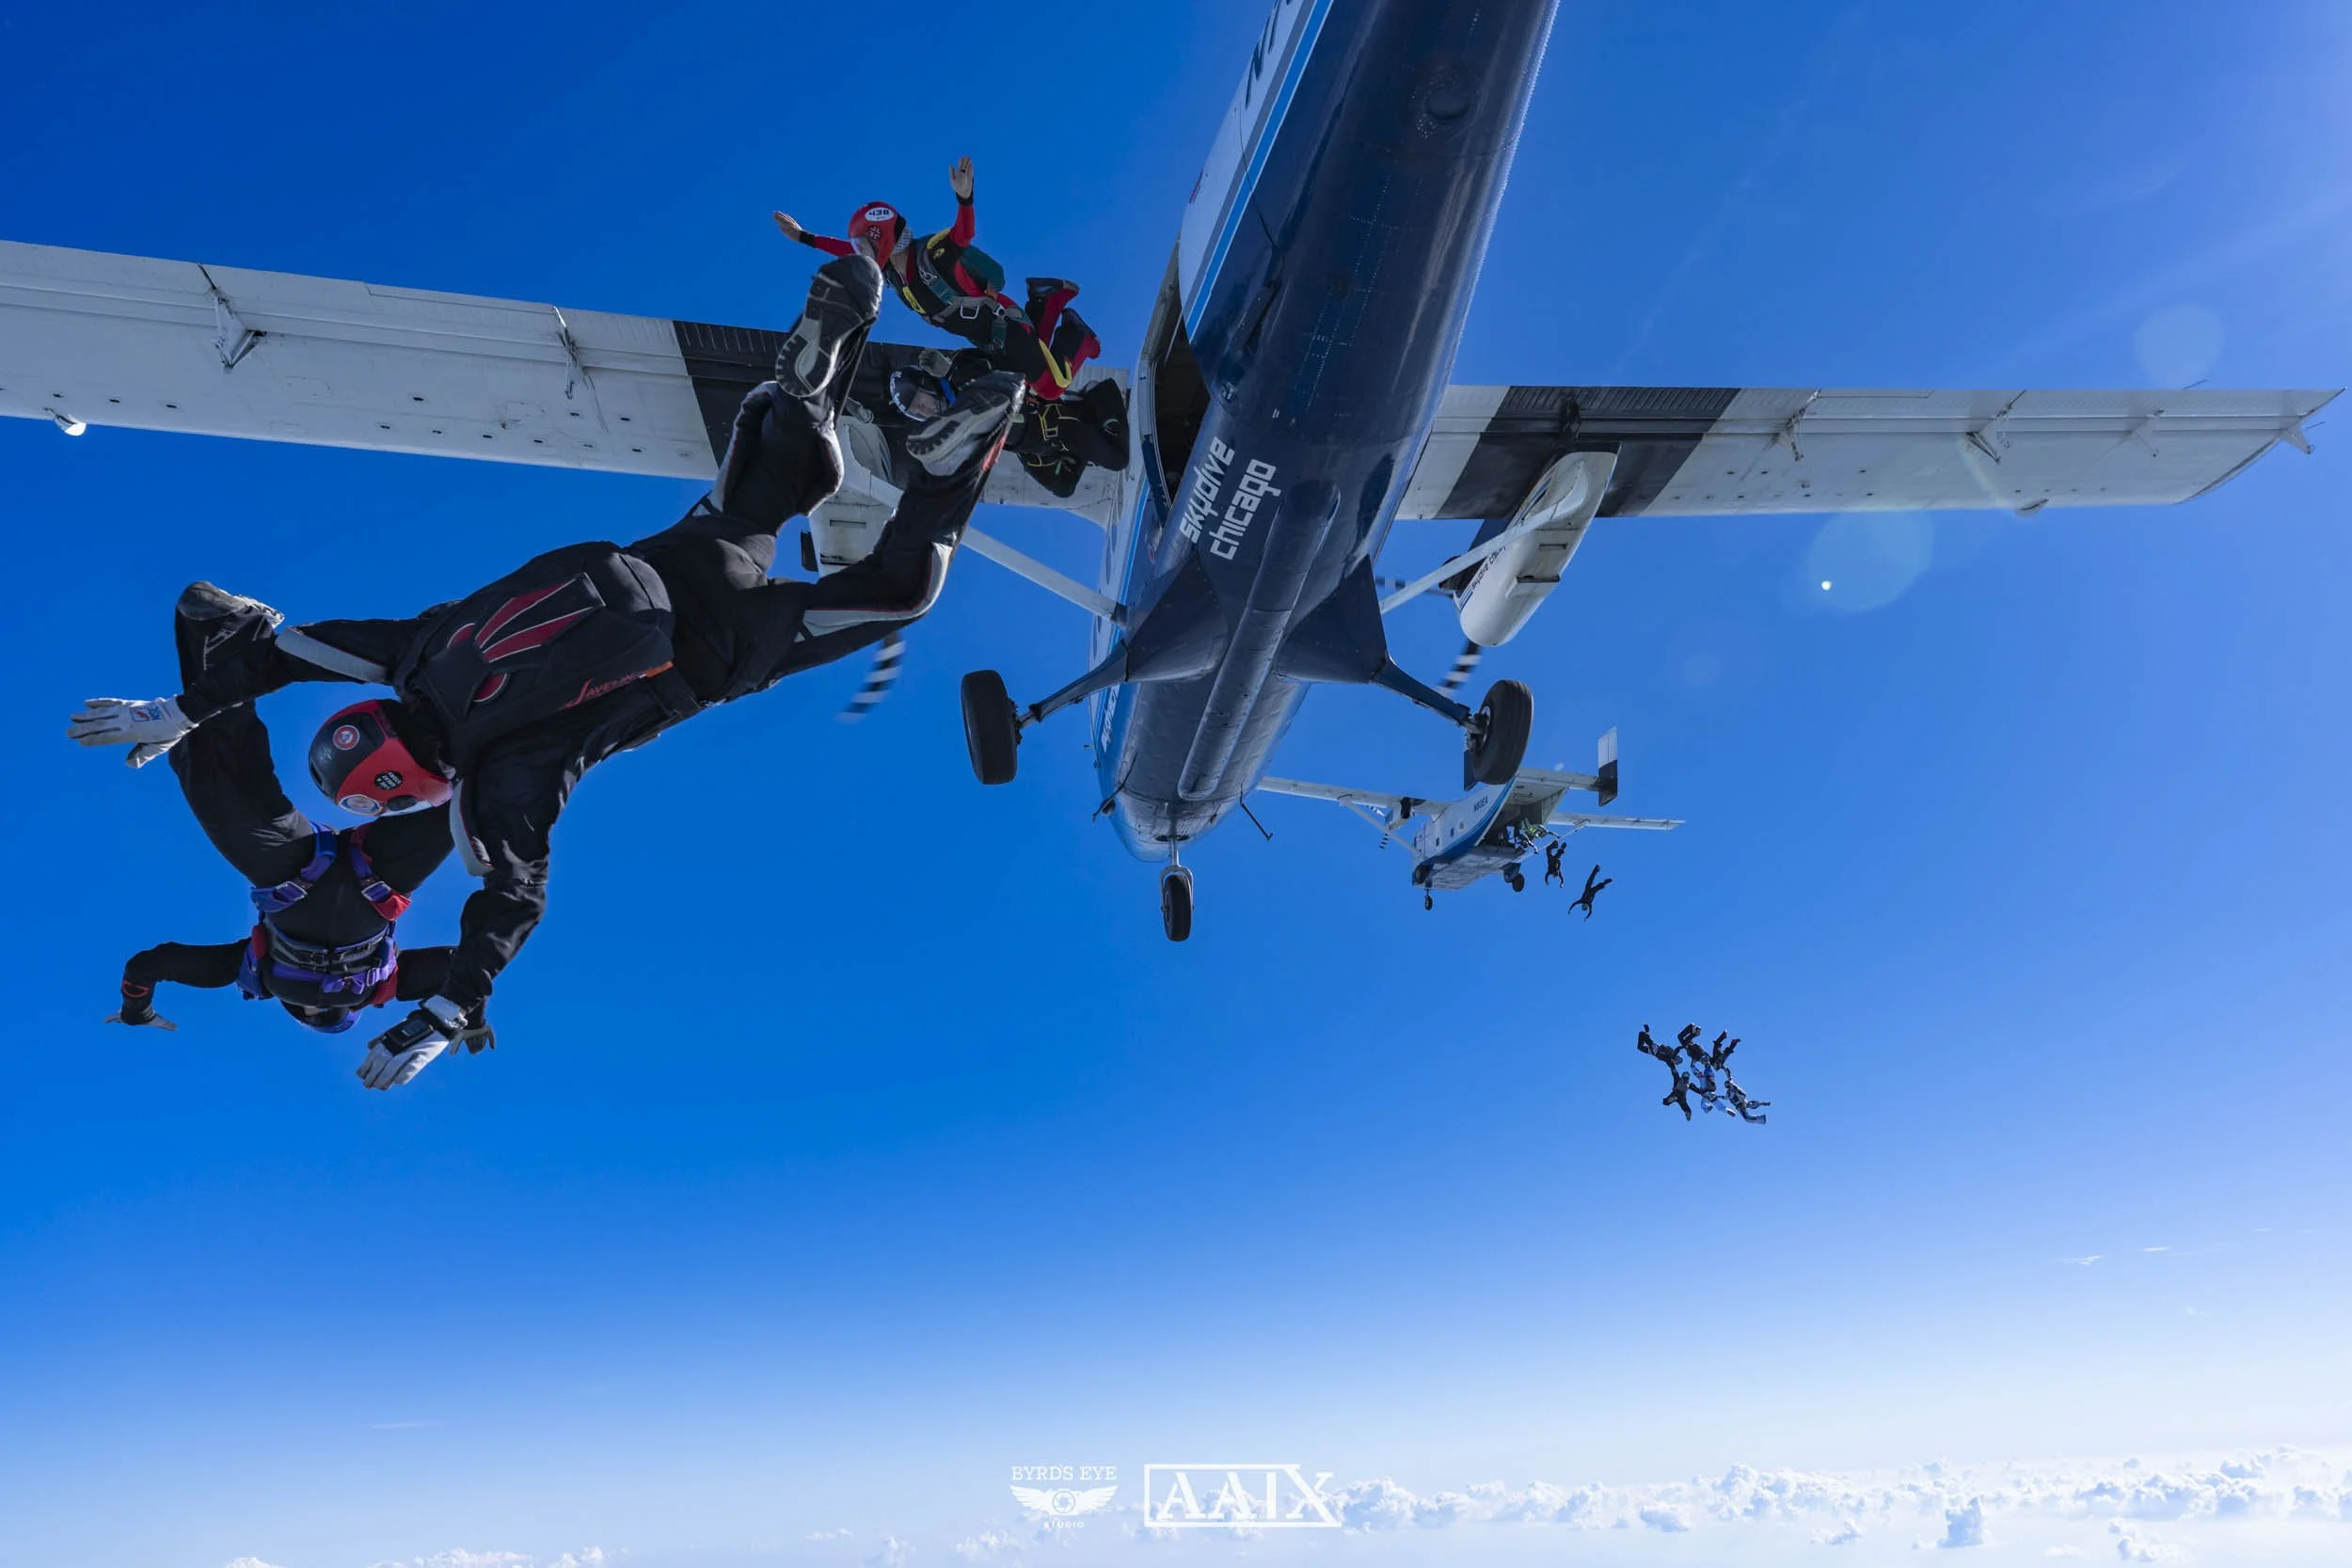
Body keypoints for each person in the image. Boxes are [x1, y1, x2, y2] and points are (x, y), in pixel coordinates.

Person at [71, 252, 1025, 1091]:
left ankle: (948, 454)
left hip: (713, 650)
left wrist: (452, 1016)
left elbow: (507, 902)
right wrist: (182, 706)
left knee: (899, 589)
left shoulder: (495, 788)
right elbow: (293, 650)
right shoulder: (412, 649)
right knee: (762, 493)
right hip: (662, 562)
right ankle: (801, 394)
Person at [105, 588, 475, 1073]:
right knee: (476, 792)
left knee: (218, 780)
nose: (316, 1010)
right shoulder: (376, 984)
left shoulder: (259, 973)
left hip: (306, 875)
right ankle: (511, 694)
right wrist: (463, 1013)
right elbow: (461, 967)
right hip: (357, 879)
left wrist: (138, 1010)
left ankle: (229, 632)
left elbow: (150, 965)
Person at [774, 157, 1101, 404]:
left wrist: (965, 199)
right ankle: (1047, 298)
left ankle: (1077, 333)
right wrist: (805, 238)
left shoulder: (931, 253)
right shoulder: (891, 272)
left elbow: (963, 234)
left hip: (1006, 327)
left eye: (865, 246)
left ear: (884, 239)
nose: (861, 254)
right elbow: (846, 248)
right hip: (988, 338)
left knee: (1051, 387)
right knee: (1027, 379)